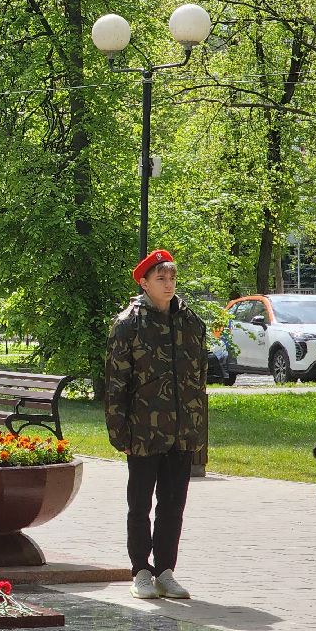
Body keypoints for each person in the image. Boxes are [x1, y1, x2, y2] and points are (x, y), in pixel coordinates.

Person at [104, 248, 208, 600]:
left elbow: (199, 381)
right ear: (144, 282)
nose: (168, 283)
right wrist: (119, 431)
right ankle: (141, 571)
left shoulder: (190, 322)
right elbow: (116, 382)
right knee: (140, 503)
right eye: (160, 278)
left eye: (172, 277)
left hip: (182, 430)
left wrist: (199, 431)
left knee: (173, 504)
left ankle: (165, 570)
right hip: (143, 430)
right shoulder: (128, 324)